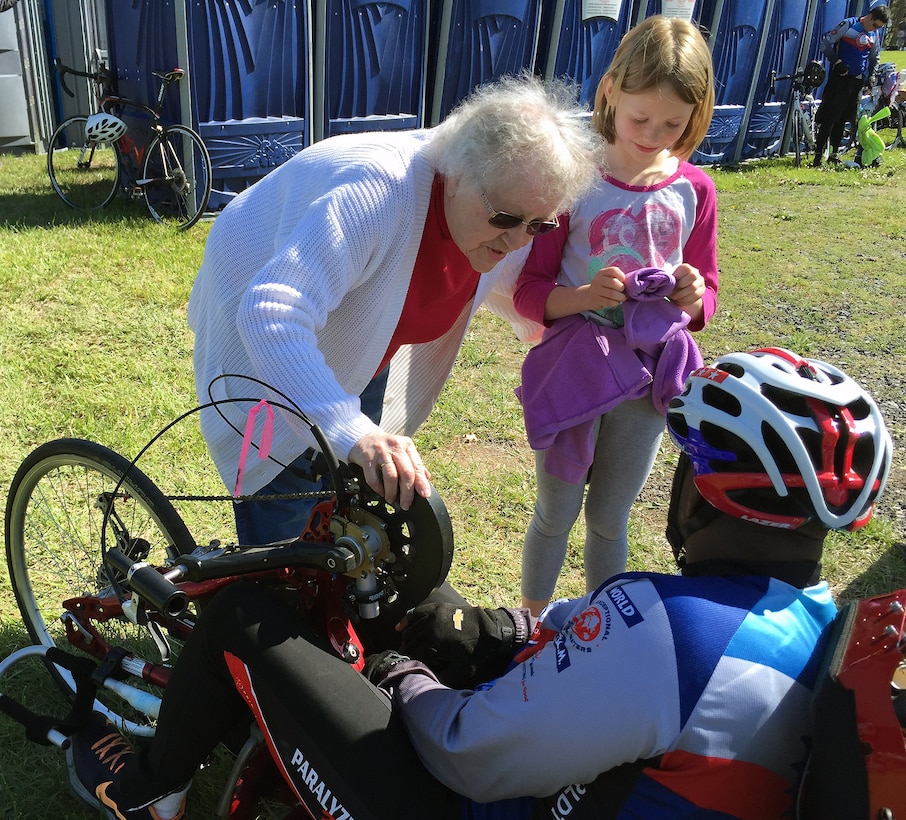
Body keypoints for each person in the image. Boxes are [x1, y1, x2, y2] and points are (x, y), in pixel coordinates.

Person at [64, 347, 892, 819]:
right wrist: (488, 631)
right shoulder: (819, 628)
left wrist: (407, 677)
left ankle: (143, 791)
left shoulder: (670, 630)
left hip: (461, 803)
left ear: (702, 492)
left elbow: (465, 754)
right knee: (427, 610)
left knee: (245, 617)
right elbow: (596, 654)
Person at [187, 74, 600, 545]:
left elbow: (518, 287)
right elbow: (270, 313)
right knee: (285, 519)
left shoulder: (510, 207)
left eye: (539, 225)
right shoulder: (379, 191)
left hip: (359, 346)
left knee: (344, 507)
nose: (517, 240)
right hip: (254, 328)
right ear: (456, 172)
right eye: (504, 219)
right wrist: (350, 430)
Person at [512, 15, 719, 615]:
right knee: (555, 512)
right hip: (576, 372)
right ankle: (530, 626)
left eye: (673, 123)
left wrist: (692, 294)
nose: (654, 134)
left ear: (696, 114)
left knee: (610, 516)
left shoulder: (696, 191)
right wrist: (582, 298)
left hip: (648, 380)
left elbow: (707, 293)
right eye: (640, 118)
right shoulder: (574, 182)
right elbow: (530, 290)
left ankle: (601, 627)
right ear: (610, 92)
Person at [812, 4, 891, 167]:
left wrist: (871, 76)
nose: (875, 29)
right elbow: (826, 44)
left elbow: (874, 58)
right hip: (839, 80)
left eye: (879, 27)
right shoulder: (848, 24)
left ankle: (833, 154)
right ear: (870, 16)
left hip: (856, 83)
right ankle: (818, 157)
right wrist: (837, 62)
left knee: (843, 120)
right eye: (875, 24)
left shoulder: (874, 34)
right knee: (829, 118)